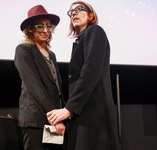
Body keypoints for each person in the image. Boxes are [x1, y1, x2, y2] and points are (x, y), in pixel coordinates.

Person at [47, 1, 120, 150]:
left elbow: (90, 71)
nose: (73, 13)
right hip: (84, 110)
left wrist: (69, 109)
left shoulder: (95, 31)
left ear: (91, 15)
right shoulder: (81, 39)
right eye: (71, 12)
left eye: (79, 9)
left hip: (93, 112)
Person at [14, 5, 66, 150]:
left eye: (48, 26)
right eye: (40, 26)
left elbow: (56, 89)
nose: (45, 30)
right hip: (34, 120)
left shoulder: (51, 55)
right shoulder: (24, 50)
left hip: (53, 119)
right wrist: (55, 119)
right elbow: (35, 87)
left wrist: (59, 117)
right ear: (30, 29)